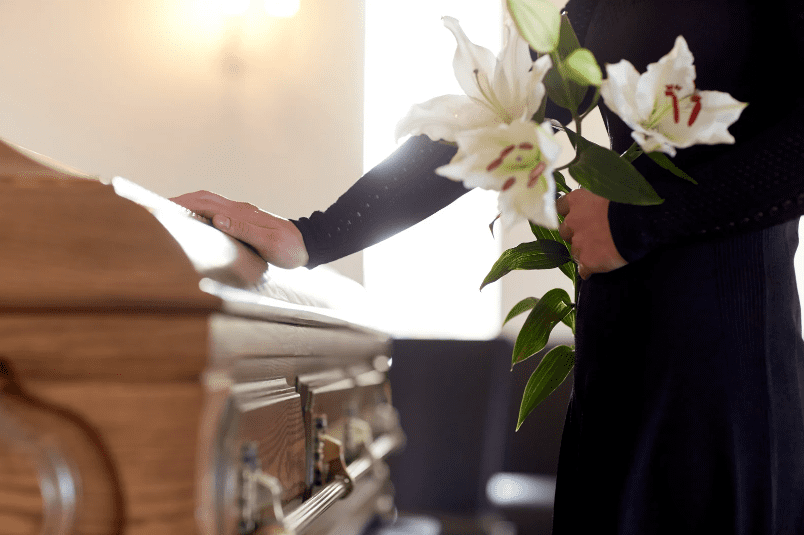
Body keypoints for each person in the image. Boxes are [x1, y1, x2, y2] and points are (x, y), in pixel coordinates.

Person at [173, 0, 804, 532]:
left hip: (727, 357)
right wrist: (311, 235)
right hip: (619, 345)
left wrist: (639, 221)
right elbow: (497, 121)